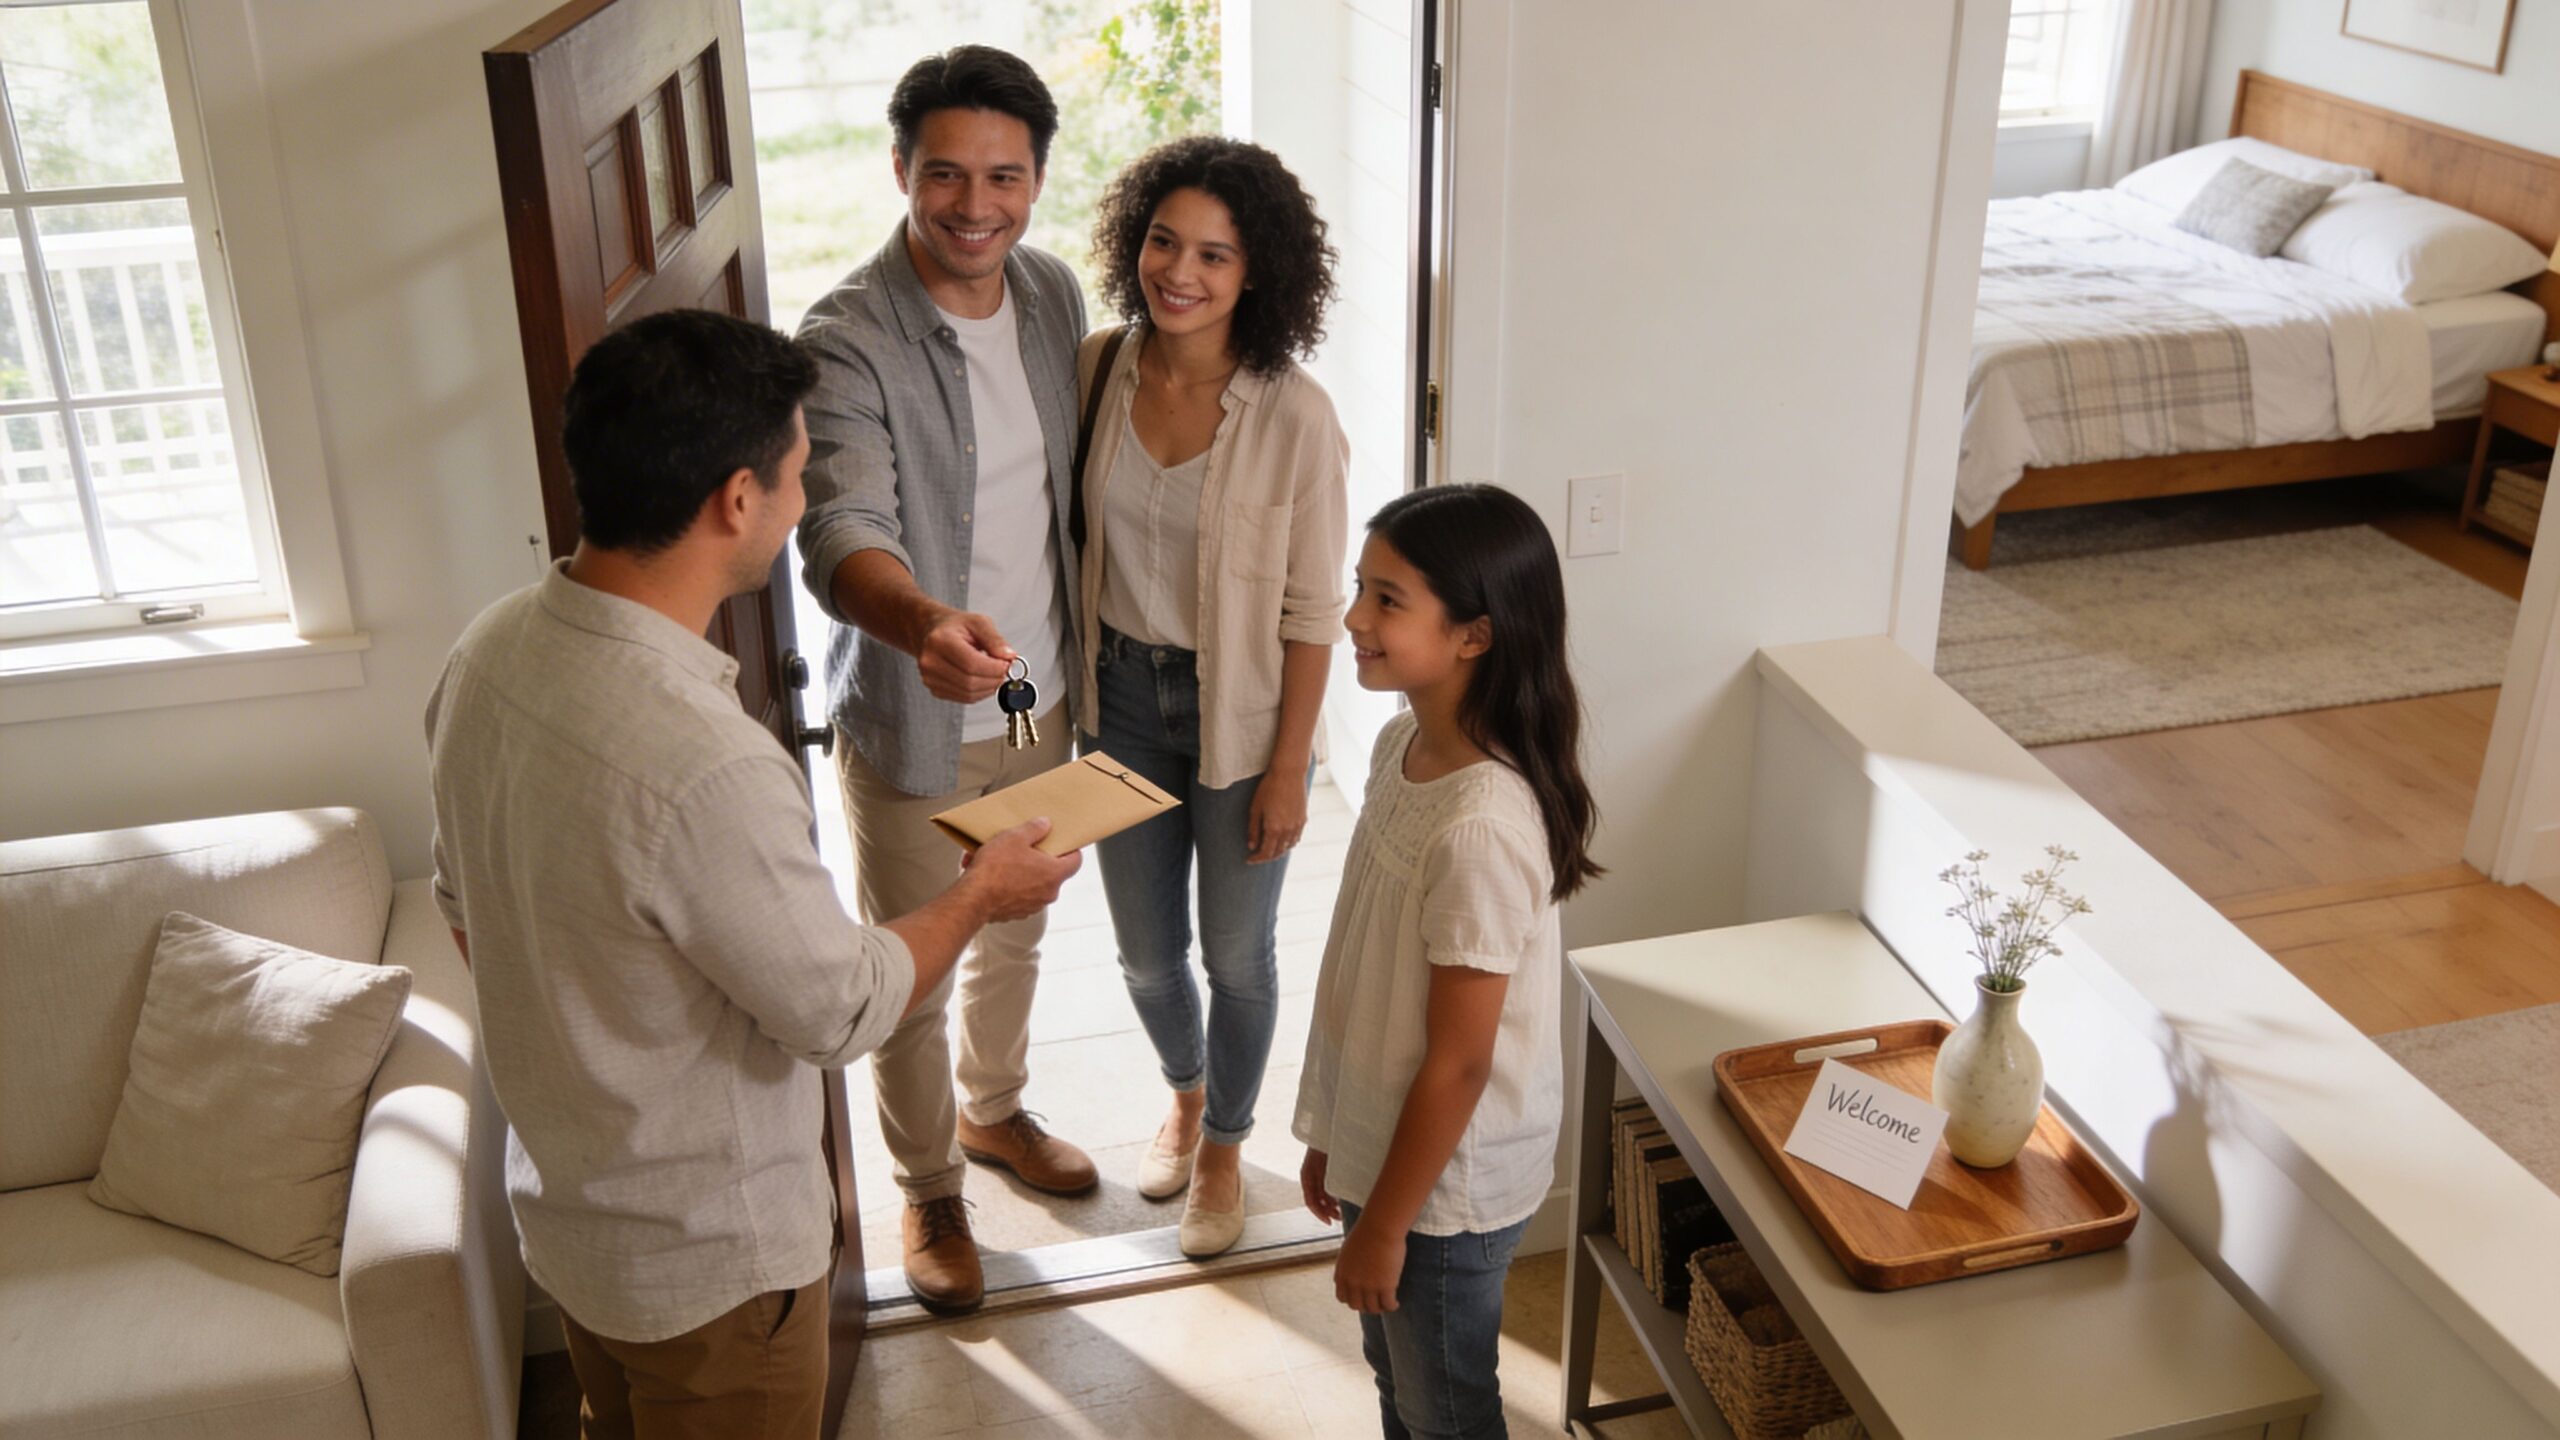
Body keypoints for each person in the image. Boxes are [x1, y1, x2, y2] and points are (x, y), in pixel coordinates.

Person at [426, 308, 1080, 1439]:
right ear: (738, 500)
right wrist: (982, 892)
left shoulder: (488, 651)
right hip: (712, 1274)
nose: (801, 501)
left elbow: (465, 914)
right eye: (794, 474)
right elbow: (842, 1009)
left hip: (573, 1227)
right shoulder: (704, 761)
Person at [793, 45, 1098, 1317]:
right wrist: (921, 624)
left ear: (1036, 177)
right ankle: (927, 1189)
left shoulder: (1052, 295)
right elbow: (838, 526)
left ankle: (997, 1114)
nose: (977, 206)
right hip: (917, 712)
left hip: (1049, 697)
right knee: (914, 963)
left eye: (1004, 176)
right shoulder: (844, 339)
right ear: (900, 169)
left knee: (1016, 928)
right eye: (946, 176)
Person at [1072, 135, 1349, 1257]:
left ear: (1257, 274)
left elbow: (1313, 610)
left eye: (1214, 256)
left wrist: (1289, 766)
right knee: (1143, 952)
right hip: (1120, 700)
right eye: (1162, 242)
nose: (1178, 272)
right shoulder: (1096, 367)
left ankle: (1227, 1145)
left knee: (1237, 954)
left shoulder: (1294, 416)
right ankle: (1183, 1096)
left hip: (1242, 716)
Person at [1293, 484, 1605, 1440]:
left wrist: (1384, 1224)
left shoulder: (1479, 827)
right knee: (1401, 1385)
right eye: (1361, 589)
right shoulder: (1401, 747)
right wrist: (1337, 1137)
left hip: (1440, 1195)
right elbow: (1370, 981)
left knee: (1448, 1413)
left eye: (1389, 600)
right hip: (1387, 1156)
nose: (1354, 618)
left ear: (1474, 635)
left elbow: (1460, 1062)